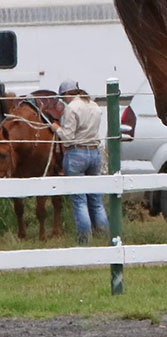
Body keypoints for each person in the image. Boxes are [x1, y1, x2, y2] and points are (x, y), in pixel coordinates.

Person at [54, 79, 108, 244]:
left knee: (79, 201)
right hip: (94, 153)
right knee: (96, 201)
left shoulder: (72, 108)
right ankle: (105, 236)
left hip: (77, 153)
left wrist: (56, 129)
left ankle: (85, 239)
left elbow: (68, 138)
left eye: (63, 97)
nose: (63, 100)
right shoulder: (94, 105)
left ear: (67, 94)